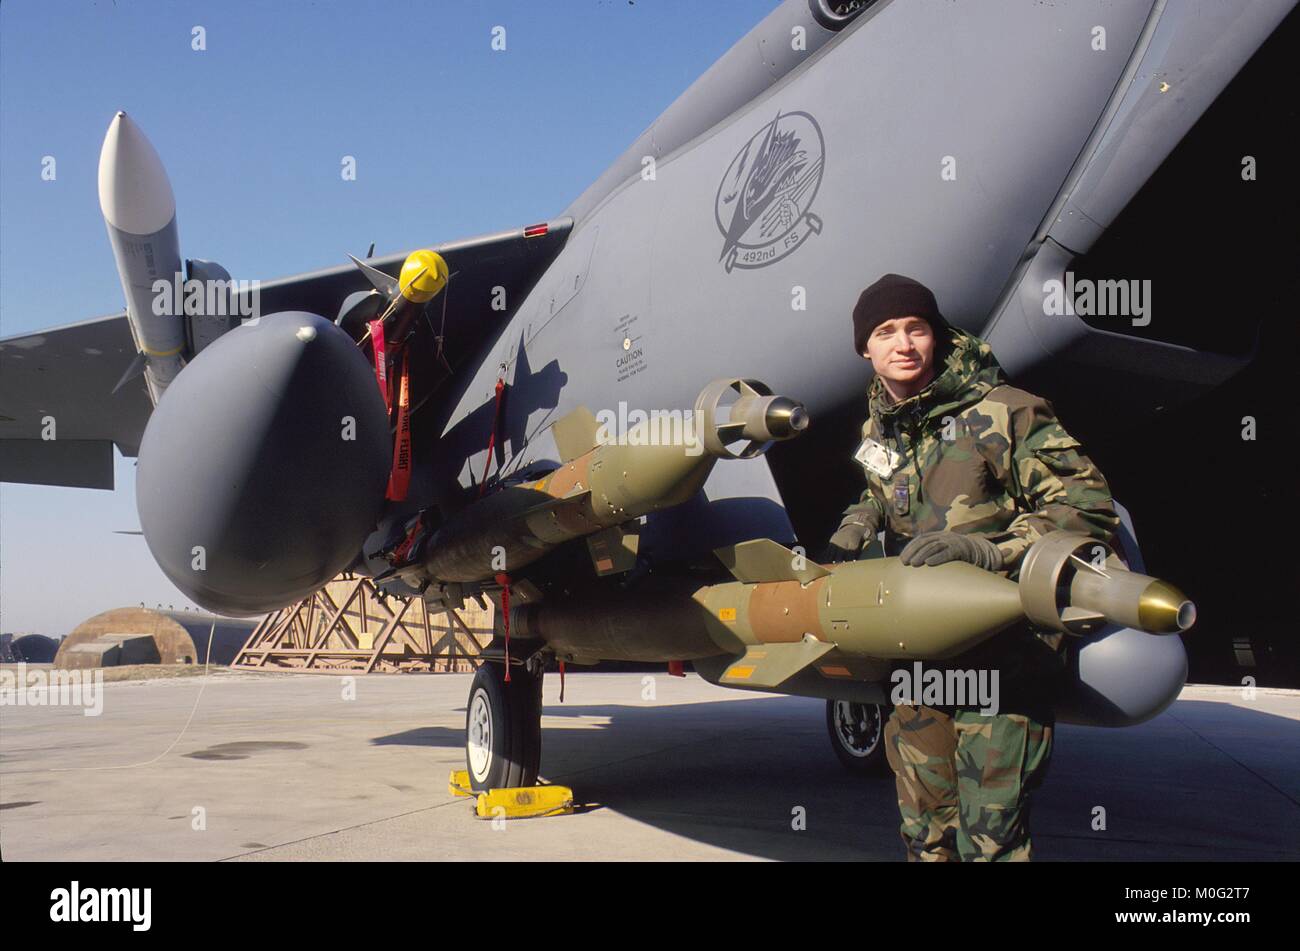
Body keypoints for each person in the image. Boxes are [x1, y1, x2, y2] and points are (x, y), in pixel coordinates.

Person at [826, 273, 1120, 861]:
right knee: (923, 831)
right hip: (919, 656)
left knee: (991, 836)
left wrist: (993, 551)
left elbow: (1087, 511)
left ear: (937, 336)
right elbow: (886, 490)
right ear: (866, 349)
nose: (903, 343)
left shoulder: (1006, 412)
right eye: (885, 332)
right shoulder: (879, 425)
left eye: (916, 328)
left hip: (1004, 657)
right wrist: (861, 516)